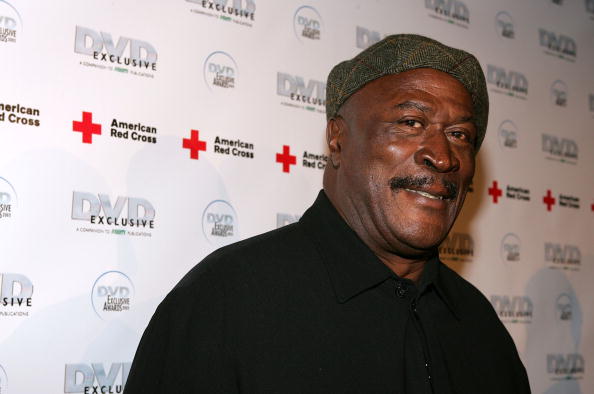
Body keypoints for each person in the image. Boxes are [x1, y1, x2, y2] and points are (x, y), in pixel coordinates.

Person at [124, 34, 531, 394]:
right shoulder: (224, 303)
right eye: (410, 122)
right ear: (337, 140)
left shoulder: (480, 328)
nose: (442, 157)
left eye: (460, 135)